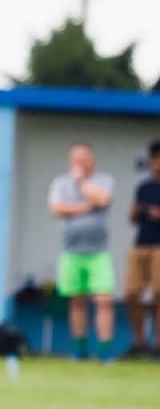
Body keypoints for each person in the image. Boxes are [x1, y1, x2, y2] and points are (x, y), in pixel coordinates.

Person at [48, 143, 116, 362]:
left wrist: (82, 182)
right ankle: (80, 349)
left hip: (99, 252)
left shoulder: (104, 180)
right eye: (76, 158)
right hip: (71, 252)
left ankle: (105, 350)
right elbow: (57, 208)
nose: (80, 162)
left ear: (92, 160)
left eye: (85, 158)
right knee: (77, 301)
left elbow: (103, 200)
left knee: (104, 300)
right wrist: (87, 207)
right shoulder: (60, 183)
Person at [124, 140, 160, 358]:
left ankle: (158, 346)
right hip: (141, 245)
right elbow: (133, 216)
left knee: (159, 295)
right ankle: (139, 343)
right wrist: (138, 212)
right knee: (131, 293)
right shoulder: (143, 187)